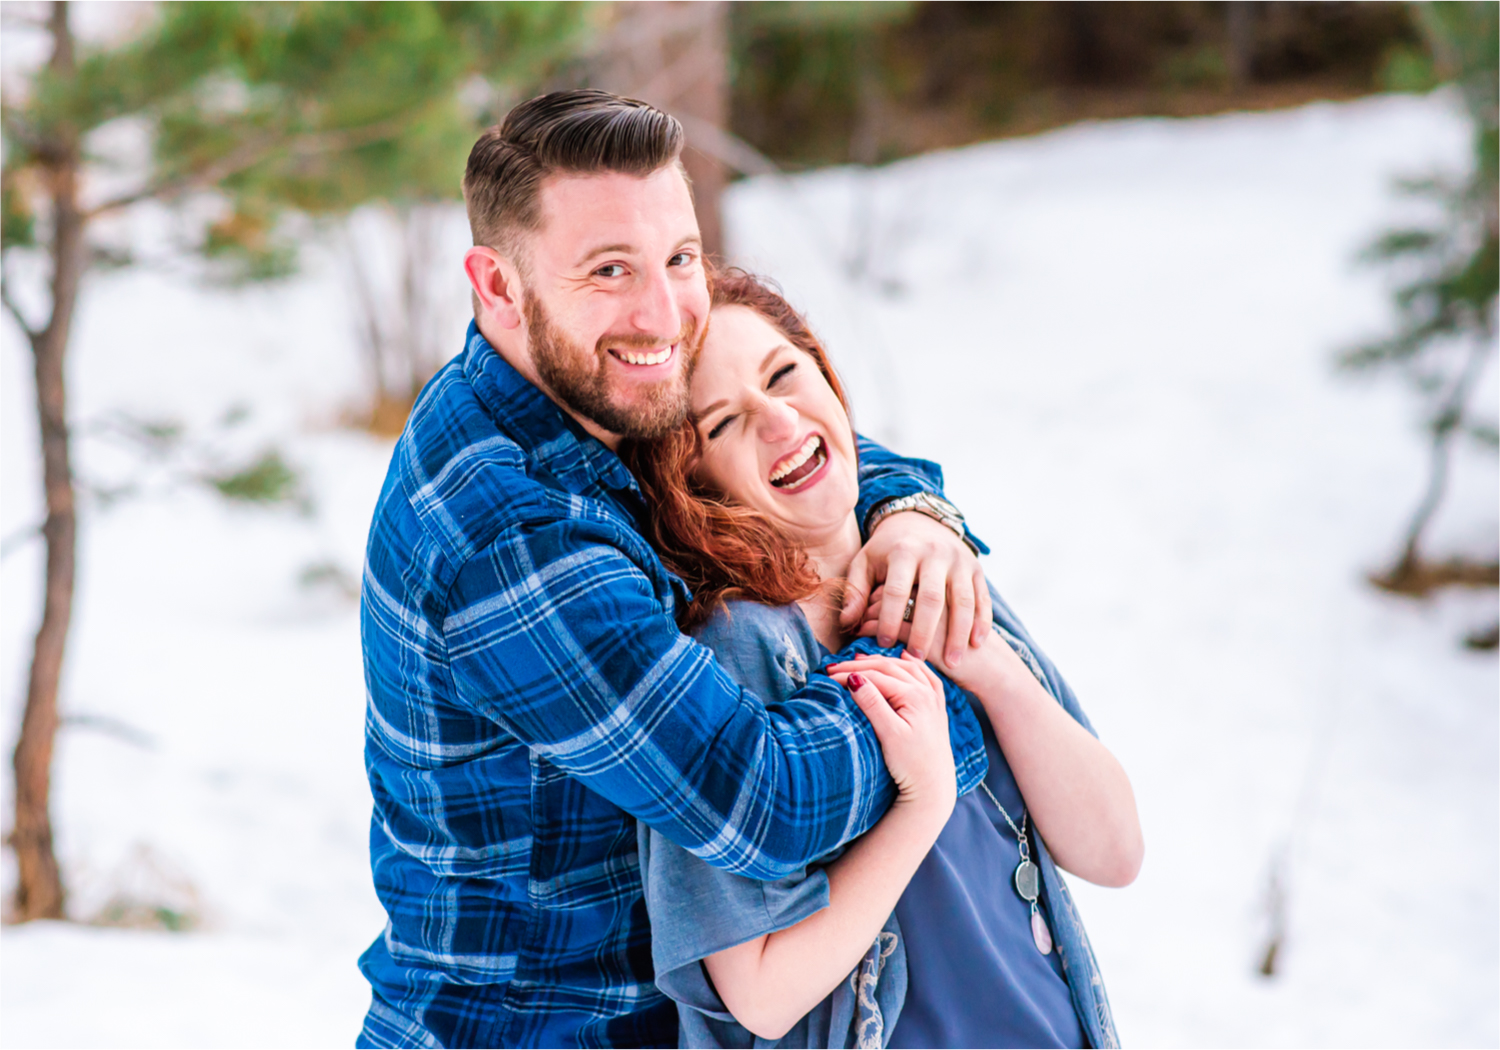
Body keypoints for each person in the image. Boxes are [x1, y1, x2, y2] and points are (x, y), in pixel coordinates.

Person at [358, 91, 1004, 1048]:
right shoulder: (515, 536)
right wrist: (946, 679)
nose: (664, 314)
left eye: (680, 258)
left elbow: (795, 447)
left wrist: (914, 511)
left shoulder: (588, 387)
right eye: (610, 270)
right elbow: (762, 802)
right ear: (496, 284)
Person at [621, 271, 1143, 1048]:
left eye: (784, 374)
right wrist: (920, 804)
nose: (779, 418)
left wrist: (985, 663)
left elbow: (1114, 849)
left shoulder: (930, 565)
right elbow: (759, 993)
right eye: (724, 423)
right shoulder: (732, 654)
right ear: (692, 484)